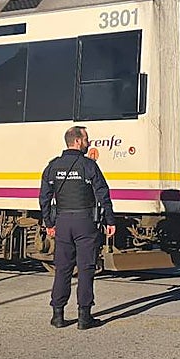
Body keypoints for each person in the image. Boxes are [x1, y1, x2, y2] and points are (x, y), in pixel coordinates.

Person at [39, 125, 116, 330]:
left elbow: (44, 197)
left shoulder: (52, 166)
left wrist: (48, 223)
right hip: (85, 222)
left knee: (62, 269)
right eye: (86, 139)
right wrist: (110, 220)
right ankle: (84, 316)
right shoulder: (88, 166)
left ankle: (58, 315)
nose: (89, 143)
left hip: (62, 221)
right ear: (77, 141)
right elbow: (102, 194)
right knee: (86, 268)